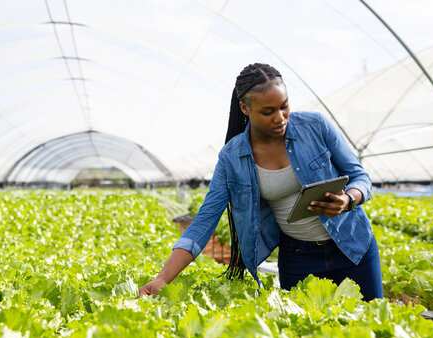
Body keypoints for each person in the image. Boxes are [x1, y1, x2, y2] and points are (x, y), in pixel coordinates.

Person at [139, 63, 383, 301]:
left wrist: (349, 199)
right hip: (298, 258)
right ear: (245, 109)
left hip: (353, 246)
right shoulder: (231, 157)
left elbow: (360, 177)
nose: (280, 118)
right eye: (268, 112)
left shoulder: (316, 126)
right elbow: (204, 222)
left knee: (372, 331)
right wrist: (162, 278)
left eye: (284, 107)